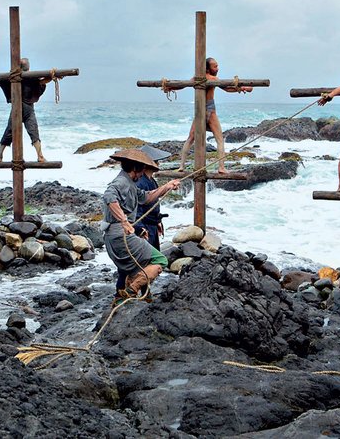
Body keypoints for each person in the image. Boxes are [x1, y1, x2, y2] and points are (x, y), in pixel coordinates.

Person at [102, 149, 180, 305]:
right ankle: (131, 291)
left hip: (114, 235)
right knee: (160, 261)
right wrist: (124, 221)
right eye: (142, 169)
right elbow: (109, 196)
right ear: (135, 168)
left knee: (135, 267)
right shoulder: (121, 182)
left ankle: (122, 299)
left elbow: (146, 198)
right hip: (120, 235)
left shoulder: (130, 183)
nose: (143, 173)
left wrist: (167, 186)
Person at [177, 57, 253, 174]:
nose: (217, 69)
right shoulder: (213, 78)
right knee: (220, 140)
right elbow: (227, 89)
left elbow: (182, 85)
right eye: (215, 66)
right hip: (210, 110)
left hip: (199, 110)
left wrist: (169, 86)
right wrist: (242, 88)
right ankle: (221, 167)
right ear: (207, 69)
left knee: (190, 139)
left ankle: (181, 166)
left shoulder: (196, 78)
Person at [0, 57, 52, 163]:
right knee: (33, 132)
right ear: (28, 67)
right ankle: (40, 156)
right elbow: (44, 81)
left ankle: (0, 156)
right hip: (27, 109)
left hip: (18, 109)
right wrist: (52, 76)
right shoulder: (30, 78)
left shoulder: (11, 77)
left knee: (9, 132)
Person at [133, 145, 173, 250]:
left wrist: (158, 220)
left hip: (152, 225)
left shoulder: (151, 180)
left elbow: (153, 203)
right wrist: (140, 229)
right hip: (145, 227)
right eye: (156, 161)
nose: (158, 164)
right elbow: (137, 209)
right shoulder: (140, 183)